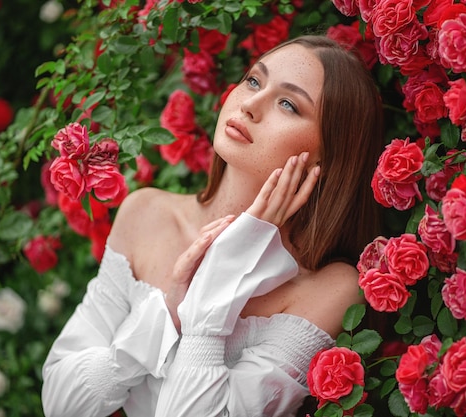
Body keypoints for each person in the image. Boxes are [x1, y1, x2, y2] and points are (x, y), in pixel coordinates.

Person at [41, 35, 384, 417]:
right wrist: (167, 312)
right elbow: (61, 404)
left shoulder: (328, 289)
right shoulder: (146, 214)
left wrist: (222, 276)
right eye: (254, 81)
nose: (250, 105)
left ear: (329, 155)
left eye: (288, 104)